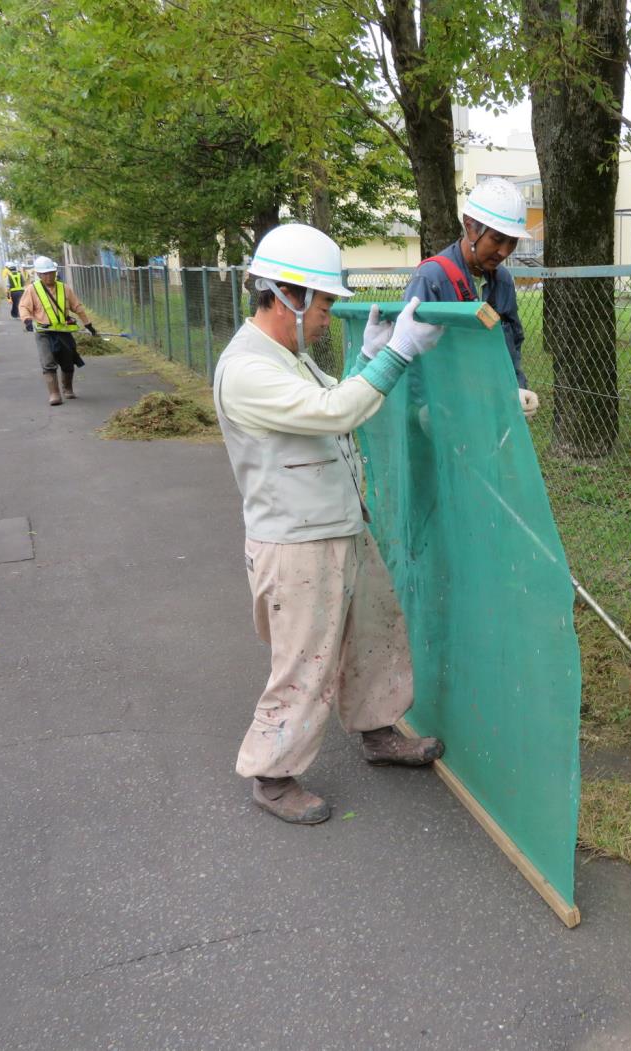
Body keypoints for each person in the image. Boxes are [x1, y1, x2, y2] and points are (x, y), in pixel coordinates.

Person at [213, 222, 446, 825]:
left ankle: (377, 730)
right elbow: (334, 411)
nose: (326, 316)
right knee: (306, 660)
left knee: (375, 631)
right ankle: (272, 773)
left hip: (339, 523)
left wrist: (365, 358)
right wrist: (395, 355)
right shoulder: (246, 369)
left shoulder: (287, 359)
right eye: (324, 303)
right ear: (286, 295)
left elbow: (335, 402)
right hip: (297, 542)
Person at [403, 178, 539, 421]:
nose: (505, 252)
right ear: (470, 227)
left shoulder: (503, 281)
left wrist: (517, 388)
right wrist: (423, 409)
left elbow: (511, 346)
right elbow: (409, 354)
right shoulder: (431, 279)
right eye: (498, 239)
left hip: (490, 413)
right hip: (443, 416)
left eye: (512, 242)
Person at [18, 256, 98, 406]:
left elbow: (77, 307)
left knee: (68, 361)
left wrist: (88, 324)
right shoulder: (32, 290)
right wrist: (27, 320)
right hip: (44, 332)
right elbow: (24, 307)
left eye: (51, 272)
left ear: (55, 272)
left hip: (63, 331)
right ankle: (54, 394)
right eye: (45, 273)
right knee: (48, 362)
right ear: (39, 275)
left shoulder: (64, 288)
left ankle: (68, 389)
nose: (49, 276)